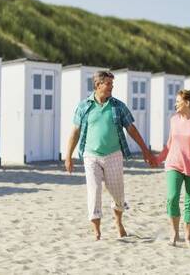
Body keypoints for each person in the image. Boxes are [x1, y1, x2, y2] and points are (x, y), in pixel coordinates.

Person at [64, 70, 154, 240]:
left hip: (113, 155)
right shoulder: (84, 106)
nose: (111, 87)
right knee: (94, 191)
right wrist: (68, 156)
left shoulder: (118, 106)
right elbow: (75, 132)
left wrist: (145, 149)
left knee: (117, 192)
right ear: (98, 85)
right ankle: (97, 231)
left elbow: (131, 129)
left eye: (112, 84)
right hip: (91, 156)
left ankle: (118, 222)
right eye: (108, 84)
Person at [153, 89, 190, 247]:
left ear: (187, 103)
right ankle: (174, 233)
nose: (175, 103)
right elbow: (170, 143)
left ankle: (188, 238)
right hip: (174, 163)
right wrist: (158, 159)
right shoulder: (174, 119)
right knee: (172, 198)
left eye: (178, 101)